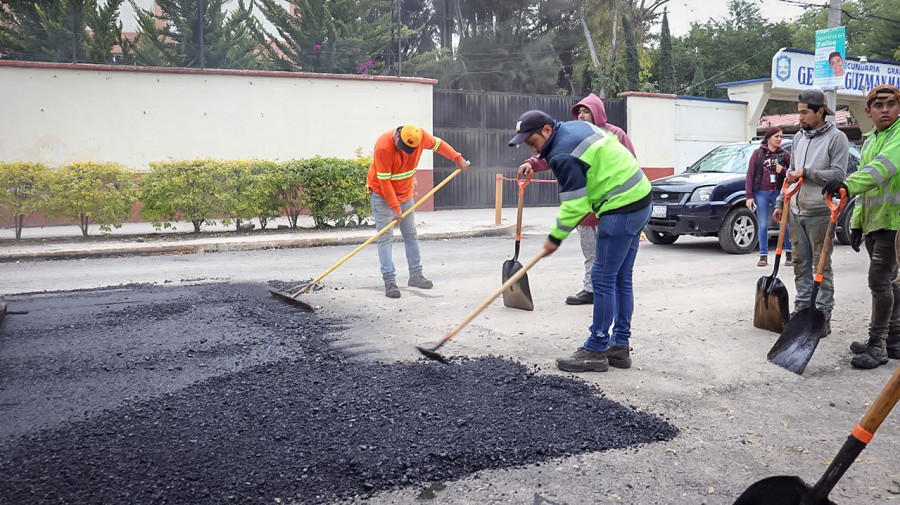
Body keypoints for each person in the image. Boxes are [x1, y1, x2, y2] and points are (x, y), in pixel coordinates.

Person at [508, 110, 651, 373]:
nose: (532, 148)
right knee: (621, 278)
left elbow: (574, 205)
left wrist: (555, 238)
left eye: (532, 142)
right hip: (640, 195)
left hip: (621, 205)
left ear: (547, 131)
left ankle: (596, 349)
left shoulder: (562, 153)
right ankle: (619, 347)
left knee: (603, 278)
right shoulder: (573, 128)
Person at [518, 93, 637, 305]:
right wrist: (532, 163)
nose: (581, 115)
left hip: (610, 209)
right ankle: (591, 289)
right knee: (590, 253)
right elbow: (548, 153)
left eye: (586, 111)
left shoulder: (615, 134)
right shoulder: (571, 137)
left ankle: (612, 292)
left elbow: (629, 165)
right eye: (579, 112)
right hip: (585, 211)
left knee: (610, 257)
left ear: (598, 112)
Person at [823, 84, 900, 369]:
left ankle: (878, 345)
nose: (885, 110)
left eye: (891, 104)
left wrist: (846, 185)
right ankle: (893, 340)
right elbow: (868, 189)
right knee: (892, 282)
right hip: (874, 222)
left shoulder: (898, 136)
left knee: (879, 282)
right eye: (878, 106)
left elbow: (881, 169)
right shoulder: (870, 139)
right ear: (868, 111)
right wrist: (856, 223)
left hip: (895, 224)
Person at [774, 89, 849, 335]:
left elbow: (838, 175)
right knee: (800, 264)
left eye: (804, 112)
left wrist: (807, 173)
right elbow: (791, 175)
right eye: (799, 112)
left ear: (820, 112)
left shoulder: (837, 138)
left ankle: (822, 316)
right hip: (796, 209)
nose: (800, 117)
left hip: (821, 211)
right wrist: (779, 203)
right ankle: (803, 309)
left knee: (821, 267)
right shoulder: (799, 138)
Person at [366, 125, 470, 298]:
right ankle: (389, 281)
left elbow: (439, 145)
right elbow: (385, 183)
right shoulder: (383, 147)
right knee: (385, 238)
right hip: (382, 195)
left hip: (405, 194)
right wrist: (396, 208)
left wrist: (457, 158)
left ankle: (416, 275)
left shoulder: (420, 137)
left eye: (411, 150)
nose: (407, 153)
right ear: (398, 137)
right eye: (404, 148)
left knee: (411, 234)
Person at [745, 127, 792, 267]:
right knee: (763, 224)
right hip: (762, 193)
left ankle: (789, 253)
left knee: (785, 224)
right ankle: (763, 255)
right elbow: (750, 174)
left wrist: (782, 170)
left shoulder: (785, 154)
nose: (779, 139)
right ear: (768, 138)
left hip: (779, 192)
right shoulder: (758, 153)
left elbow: (792, 174)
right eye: (776, 136)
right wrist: (749, 196)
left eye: (781, 136)